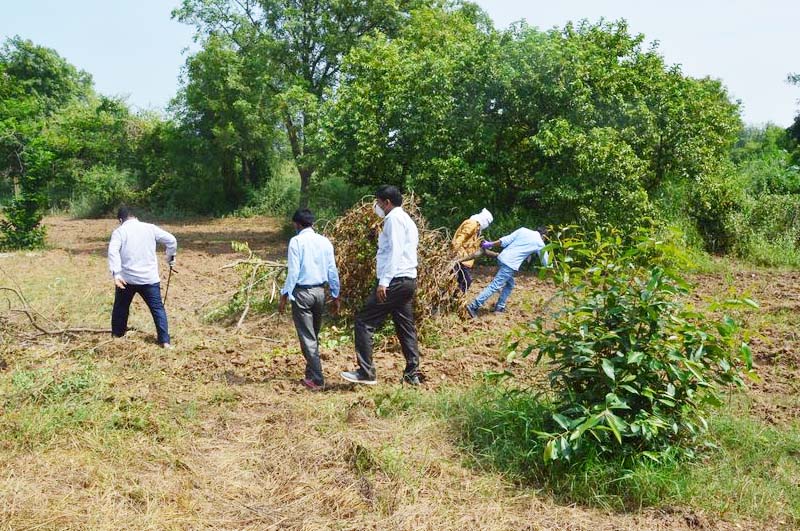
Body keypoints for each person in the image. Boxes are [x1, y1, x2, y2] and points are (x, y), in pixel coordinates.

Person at [341, 185, 421, 386]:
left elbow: (395, 252)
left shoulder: (393, 219)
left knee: (363, 321)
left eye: (378, 202)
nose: (376, 206)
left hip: (395, 281)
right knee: (405, 327)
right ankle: (412, 373)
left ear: (387, 202)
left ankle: (366, 372)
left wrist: (384, 282)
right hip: (407, 281)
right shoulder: (407, 219)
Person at [278, 209, 341, 390]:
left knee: (307, 338)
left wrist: (284, 294)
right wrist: (336, 294)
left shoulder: (296, 241)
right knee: (313, 335)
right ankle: (310, 374)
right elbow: (332, 270)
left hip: (302, 294)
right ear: (312, 223)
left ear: (297, 224)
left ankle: (317, 379)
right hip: (320, 292)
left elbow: (294, 271)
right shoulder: (324, 241)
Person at [108, 206, 177, 347]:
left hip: (126, 279)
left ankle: (117, 336)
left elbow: (112, 251)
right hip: (149, 278)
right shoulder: (150, 228)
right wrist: (170, 257)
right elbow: (171, 240)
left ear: (120, 220)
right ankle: (164, 341)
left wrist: (116, 273)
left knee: (121, 308)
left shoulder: (119, 232)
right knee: (157, 309)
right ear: (135, 217)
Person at [466, 226, 549, 318]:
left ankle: (500, 306)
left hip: (502, 258)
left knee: (510, 284)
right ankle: (473, 306)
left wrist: (491, 244)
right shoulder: (540, 243)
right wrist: (552, 268)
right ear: (544, 236)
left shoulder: (523, 230)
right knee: (495, 285)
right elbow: (546, 262)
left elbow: (505, 240)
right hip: (510, 264)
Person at [451, 208, 493, 292]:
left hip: (464, 259)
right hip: (460, 258)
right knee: (466, 282)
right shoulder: (472, 224)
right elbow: (460, 238)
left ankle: (454, 297)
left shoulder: (476, 227)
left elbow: (470, 241)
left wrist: (482, 243)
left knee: (459, 282)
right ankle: (455, 298)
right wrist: (454, 254)